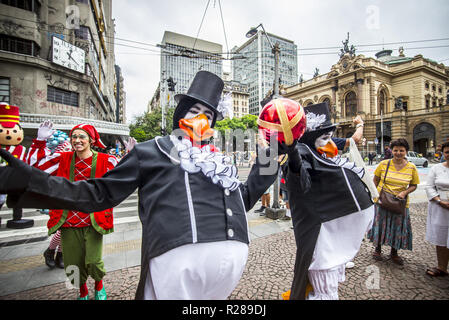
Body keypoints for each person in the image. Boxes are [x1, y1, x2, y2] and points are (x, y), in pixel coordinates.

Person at [0, 71, 281, 300]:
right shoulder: (152, 150)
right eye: (194, 110)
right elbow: (100, 193)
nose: (201, 118)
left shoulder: (220, 162)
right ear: (180, 116)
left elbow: (244, 200)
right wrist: (31, 181)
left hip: (228, 269)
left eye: (209, 114)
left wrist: (269, 156)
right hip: (175, 266)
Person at [284, 102, 374, 300]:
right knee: (323, 285)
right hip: (320, 236)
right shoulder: (303, 155)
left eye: (330, 137)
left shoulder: (323, 152)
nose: (331, 143)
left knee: (327, 284)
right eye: (325, 138)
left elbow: (354, 141)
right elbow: (301, 179)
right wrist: (293, 155)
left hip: (334, 232)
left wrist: (360, 125)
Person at [25, 121, 118, 300]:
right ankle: (82, 291)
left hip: (93, 220)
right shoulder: (62, 158)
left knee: (93, 261)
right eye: (74, 136)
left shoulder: (107, 160)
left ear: (91, 140)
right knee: (72, 263)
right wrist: (39, 141)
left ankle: (99, 286)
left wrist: (131, 154)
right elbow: (37, 168)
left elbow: (121, 179)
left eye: (81, 136)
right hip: (68, 221)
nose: (77, 140)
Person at [367, 138, 419, 265]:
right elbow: (375, 180)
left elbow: (414, 185)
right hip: (382, 201)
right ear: (392, 150)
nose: (398, 153)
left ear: (406, 151)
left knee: (397, 227)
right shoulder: (384, 164)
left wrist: (404, 192)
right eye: (396, 150)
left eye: (402, 150)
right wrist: (375, 195)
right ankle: (377, 249)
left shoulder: (411, 167)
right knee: (380, 225)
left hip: (400, 202)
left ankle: (394, 252)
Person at [424, 141, 449, 277]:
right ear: (443, 154)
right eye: (447, 152)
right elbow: (429, 187)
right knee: (441, 236)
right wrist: (439, 201)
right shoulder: (436, 168)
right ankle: (442, 266)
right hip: (440, 207)